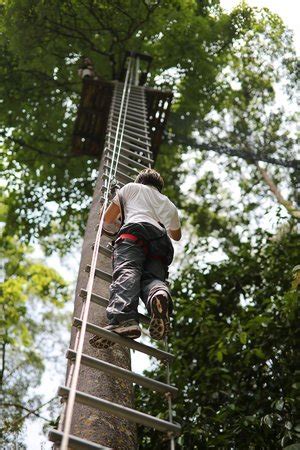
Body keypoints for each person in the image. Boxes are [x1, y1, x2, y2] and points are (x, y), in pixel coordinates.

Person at [89, 168, 181, 349]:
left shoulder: (130, 188)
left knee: (128, 270)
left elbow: (107, 219)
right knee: (152, 279)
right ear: (159, 187)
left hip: (133, 233)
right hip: (161, 242)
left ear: (140, 181)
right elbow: (176, 235)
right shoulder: (168, 203)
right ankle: (158, 293)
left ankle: (124, 319)